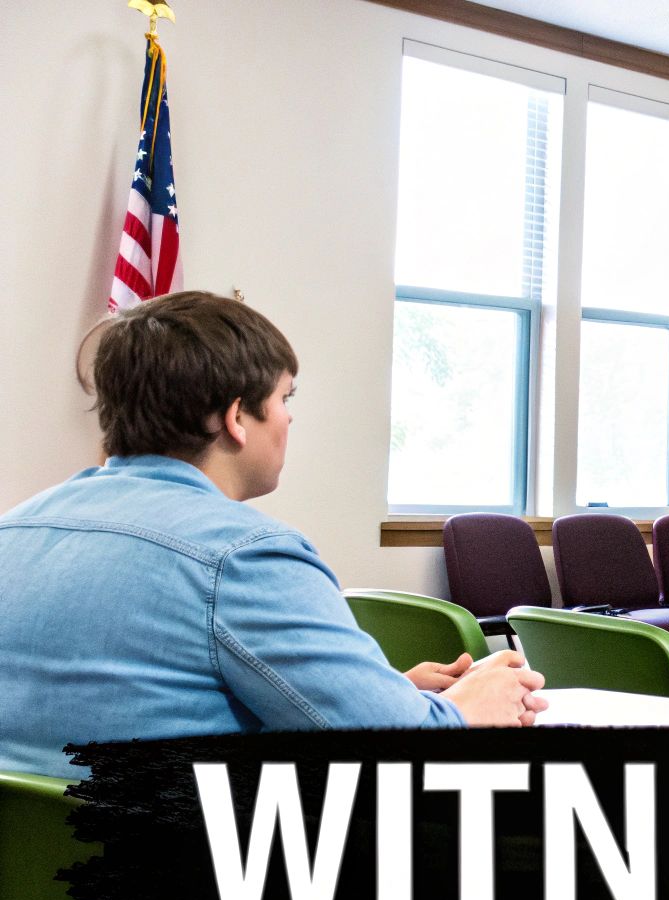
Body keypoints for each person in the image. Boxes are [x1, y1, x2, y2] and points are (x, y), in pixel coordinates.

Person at [0, 291, 546, 779]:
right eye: (285, 399)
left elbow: (143, 701)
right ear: (238, 417)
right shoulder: (243, 557)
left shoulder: (13, 531)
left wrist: (385, 694)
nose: (289, 420)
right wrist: (469, 707)